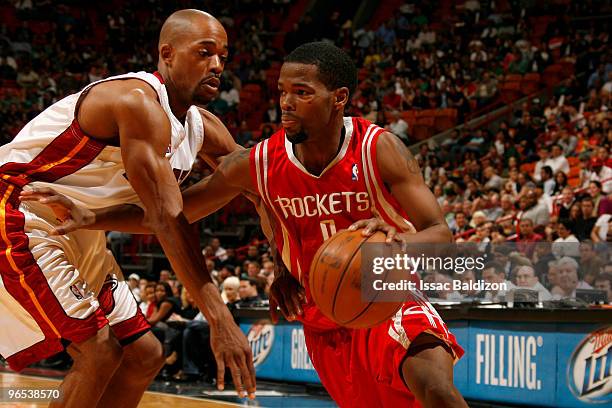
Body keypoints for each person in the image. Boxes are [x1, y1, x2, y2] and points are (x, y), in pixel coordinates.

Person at [25, 42, 466, 407]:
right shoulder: (258, 162)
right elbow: (176, 212)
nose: (287, 103)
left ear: (339, 98)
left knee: (437, 391)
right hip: (322, 315)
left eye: (303, 92)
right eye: (282, 92)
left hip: (388, 300)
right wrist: (94, 217)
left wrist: (401, 243)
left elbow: (439, 234)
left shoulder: (379, 148)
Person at [6, 9, 255, 406]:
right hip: (19, 208)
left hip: (76, 226)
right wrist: (218, 315)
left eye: (223, 57)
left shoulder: (200, 126)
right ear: (167, 54)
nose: (216, 65)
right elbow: (166, 220)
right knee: (98, 350)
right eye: (205, 52)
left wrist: (290, 266)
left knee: (145, 355)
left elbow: (258, 181)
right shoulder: (136, 101)